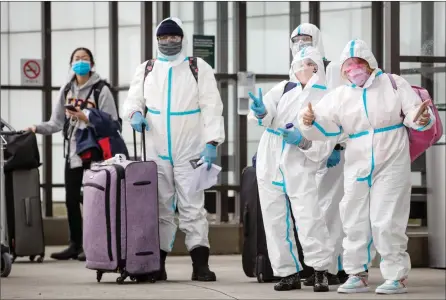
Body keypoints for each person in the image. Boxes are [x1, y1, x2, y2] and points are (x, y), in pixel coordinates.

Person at [298, 39, 435, 294]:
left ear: (369, 64)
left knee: (387, 219)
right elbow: (323, 124)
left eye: (357, 64)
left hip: (392, 158)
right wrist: (308, 120)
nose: (353, 70)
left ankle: (396, 276)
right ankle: (356, 273)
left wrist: (422, 118)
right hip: (357, 161)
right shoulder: (340, 95)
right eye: (347, 67)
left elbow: (415, 112)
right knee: (353, 217)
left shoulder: (393, 84)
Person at [123, 17, 225, 282]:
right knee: (160, 206)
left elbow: (212, 106)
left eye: (174, 37)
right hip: (156, 147)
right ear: (157, 40)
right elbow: (134, 98)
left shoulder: (196, 67)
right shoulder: (147, 68)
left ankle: (200, 263)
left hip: (190, 147)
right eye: (164, 38)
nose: (169, 42)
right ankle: (158, 263)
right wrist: (134, 113)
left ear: (182, 38)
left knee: (193, 206)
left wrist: (212, 142)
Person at [248, 46, 334, 292]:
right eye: (298, 64)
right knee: (274, 217)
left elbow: (327, 136)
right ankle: (287, 272)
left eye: (308, 64)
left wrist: (302, 140)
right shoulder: (284, 87)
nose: (302, 68)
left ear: (318, 66)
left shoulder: (326, 95)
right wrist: (261, 111)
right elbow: (264, 115)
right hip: (271, 153)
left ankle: (320, 270)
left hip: (299, 158)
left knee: (308, 216)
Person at [26, 47, 118, 262]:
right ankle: (75, 244)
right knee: (70, 200)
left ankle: (93, 244)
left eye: (85, 59)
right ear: (71, 64)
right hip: (74, 153)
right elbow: (56, 122)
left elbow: (113, 122)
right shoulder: (67, 89)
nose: (80, 62)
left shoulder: (101, 90)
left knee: (93, 200)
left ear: (92, 64)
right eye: (76, 59)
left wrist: (86, 117)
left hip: (95, 152)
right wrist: (35, 128)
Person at [289, 23, 349, 286]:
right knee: (310, 212)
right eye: (296, 39)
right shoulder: (297, 69)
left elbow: (345, 107)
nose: (301, 43)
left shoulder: (333, 68)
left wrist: (339, 145)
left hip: (331, 148)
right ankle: (317, 266)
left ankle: (333, 267)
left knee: (331, 210)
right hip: (305, 149)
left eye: (306, 39)